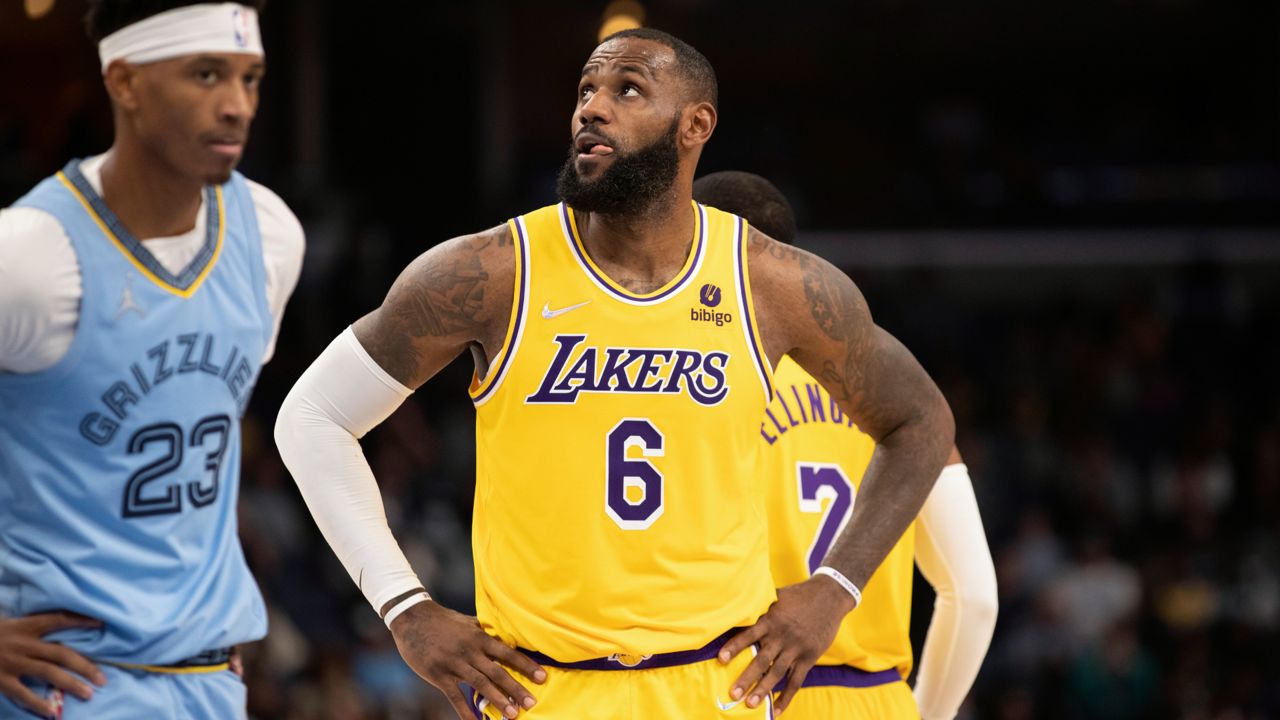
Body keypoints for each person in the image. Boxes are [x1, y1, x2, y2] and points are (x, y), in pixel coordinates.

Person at [274, 28, 953, 720]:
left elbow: (921, 419)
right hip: (542, 689)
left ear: (696, 125)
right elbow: (311, 418)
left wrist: (835, 586)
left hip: (715, 685)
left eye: (627, 90)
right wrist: (404, 607)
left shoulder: (773, 285)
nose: (591, 109)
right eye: (585, 92)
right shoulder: (492, 273)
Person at [0, 2, 304, 718]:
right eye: (206, 75)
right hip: (67, 688)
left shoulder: (270, 234)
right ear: (125, 82)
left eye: (251, 78)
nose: (237, 107)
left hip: (211, 683)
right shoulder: (28, 256)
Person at [693, 170, 998, 719]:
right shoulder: (892, 392)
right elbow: (975, 596)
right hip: (876, 696)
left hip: (735, 692)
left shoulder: (687, 384)